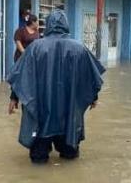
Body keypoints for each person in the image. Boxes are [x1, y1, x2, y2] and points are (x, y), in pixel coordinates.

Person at [7, 10, 105, 164]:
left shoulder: (35, 48)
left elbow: (22, 76)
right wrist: (93, 97)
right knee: (70, 159)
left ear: (48, 25)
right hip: (68, 114)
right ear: (66, 25)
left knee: (38, 161)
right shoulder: (79, 48)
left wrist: (14, 98)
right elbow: (90, 77)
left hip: (41, 112)